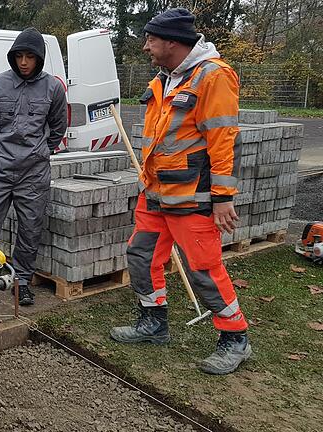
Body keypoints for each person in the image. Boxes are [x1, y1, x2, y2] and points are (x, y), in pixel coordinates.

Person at [109, 8, 251, 375]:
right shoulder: (167, 78)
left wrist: (222, 197)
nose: (145, 47)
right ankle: (153, 323)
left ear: (172, 42)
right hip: (155, 192)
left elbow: (223, 138)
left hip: (192, 198)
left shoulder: (212, 76)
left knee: (203, 268)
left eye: (151, 40)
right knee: (140, 257)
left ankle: (235, 337)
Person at [0, 28, 67, 307]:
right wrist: (0, 153)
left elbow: (58, 128)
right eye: (19, 56)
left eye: (30, 56)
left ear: (39, 58)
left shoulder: (52, 87)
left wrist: (39, 151)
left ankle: (22, 280)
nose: (24, 62)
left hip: (34, 172)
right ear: (12, 57)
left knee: (30, 228)